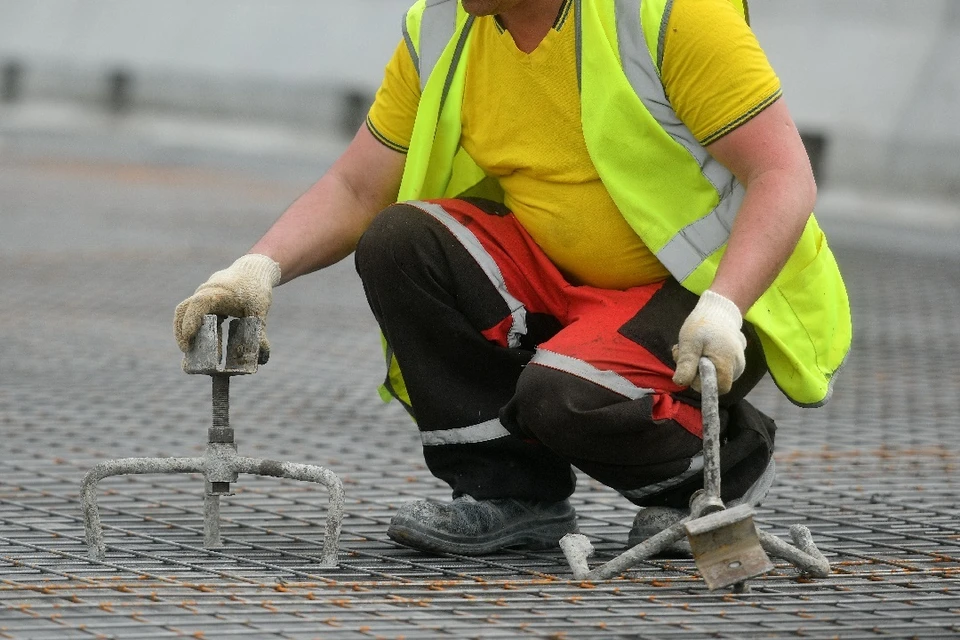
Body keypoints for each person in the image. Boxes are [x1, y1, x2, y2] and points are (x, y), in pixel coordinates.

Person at [174, 0, 851, 556]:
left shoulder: (668, 14)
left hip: (709, 296)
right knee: (399, 242)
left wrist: (725, 307)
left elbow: (783, 175)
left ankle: (718, 467)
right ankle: (511, 493)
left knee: (561, 398)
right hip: (567, 281)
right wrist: (256, 268)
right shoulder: (442, 27)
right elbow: (358, 188)